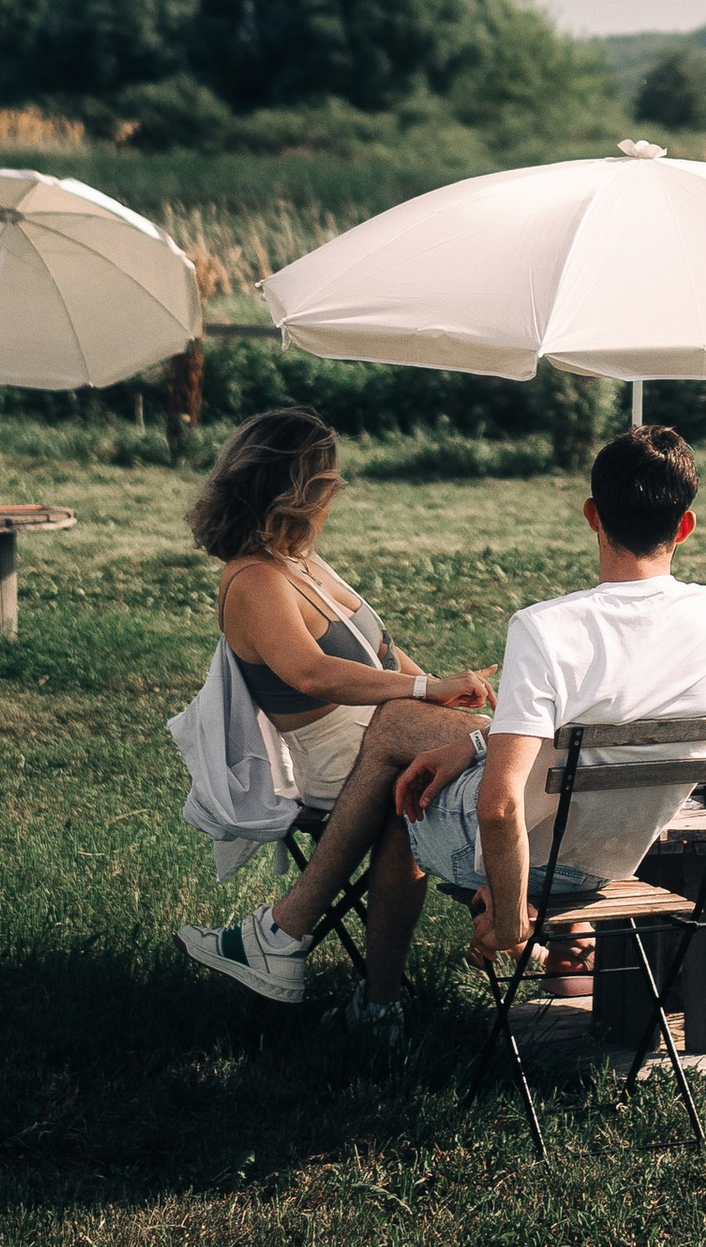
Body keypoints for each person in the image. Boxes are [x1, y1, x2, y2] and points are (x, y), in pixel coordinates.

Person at [373, 421, 706, 1030]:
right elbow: (605, 720)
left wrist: (513, 914)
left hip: (524, 853)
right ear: (685, 526)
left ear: (592, 516)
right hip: (616, 860)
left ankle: (373, 998)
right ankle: (555, 948)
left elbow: (496, 808)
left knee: (396, 776)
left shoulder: (547, 627)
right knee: (454, 760)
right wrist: (476, 741)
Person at [173, 409, 497, 1029]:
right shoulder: (254, 579)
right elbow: (311, 674)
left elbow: (381, 654)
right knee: (504, 758)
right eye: (330, 480)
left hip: (379, 734)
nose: (336, 493)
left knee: (414, 812)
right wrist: (424, 688)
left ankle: (374, 1005)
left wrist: (438, 693)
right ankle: (527, 907)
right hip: (328, 756)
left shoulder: (302, 561)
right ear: (303, 489)